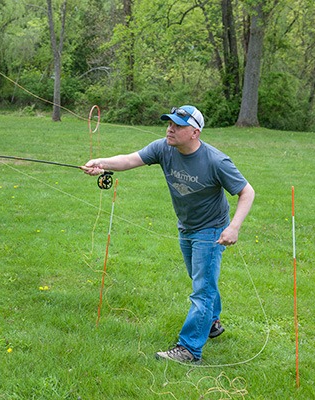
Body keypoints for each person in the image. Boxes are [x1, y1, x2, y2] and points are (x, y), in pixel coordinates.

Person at [82, 105, 255, 363]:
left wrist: (234, 227)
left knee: (202, 288)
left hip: (212, 228)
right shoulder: (164, 147)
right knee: (201, 278)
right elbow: (130, 159)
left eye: (177, 125)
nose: (170, 129)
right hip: (186, 225)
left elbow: (247, 192)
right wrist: (101, 163)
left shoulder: (216, 161)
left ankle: (189, 349)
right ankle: (212, 322)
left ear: (195, 132)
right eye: (169, 123)